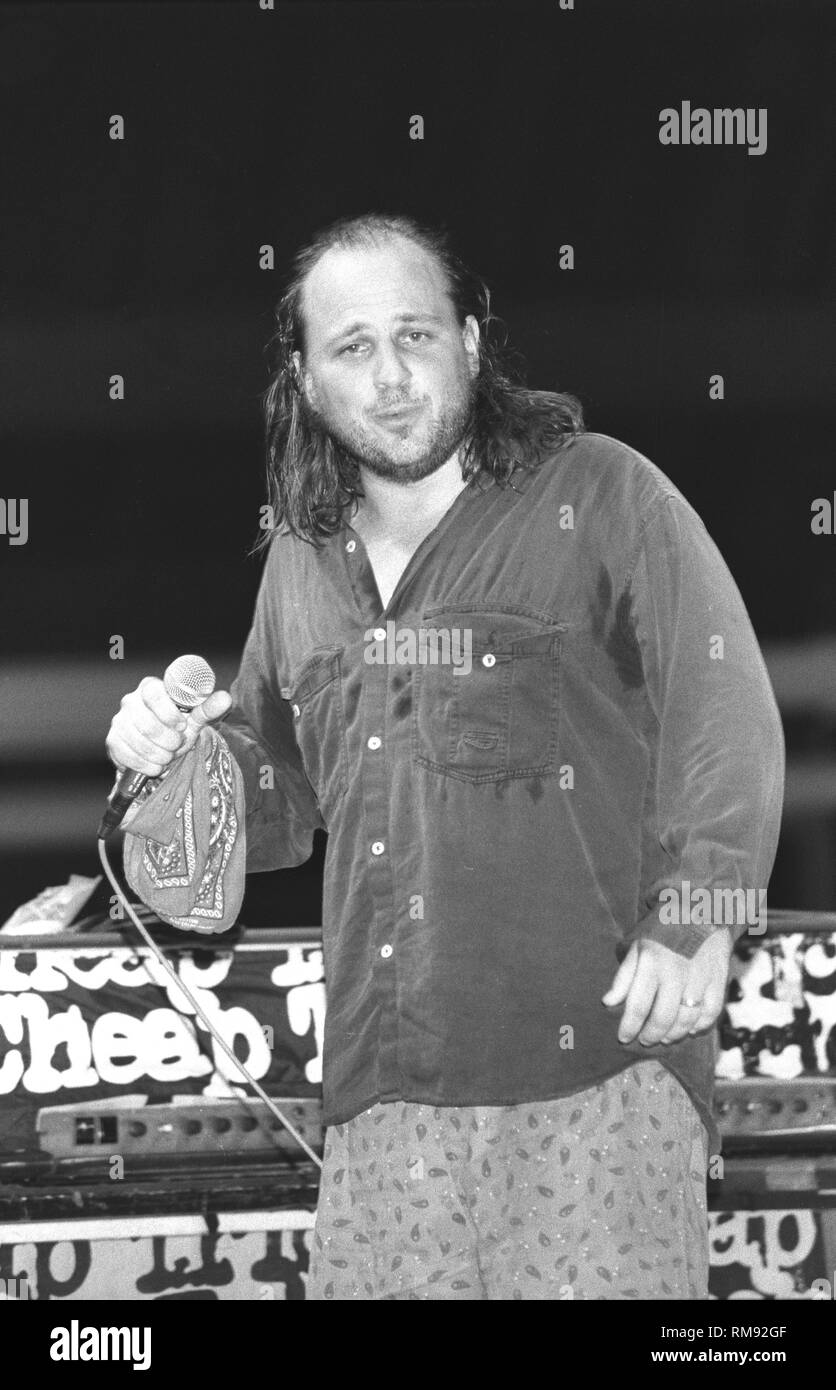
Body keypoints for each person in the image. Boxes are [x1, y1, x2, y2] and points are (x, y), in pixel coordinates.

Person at [105, 212, 785, 1300]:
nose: (388, 376)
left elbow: (724, 706)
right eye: (352, 347)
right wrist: (166, 760)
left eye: (415, 335)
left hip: (593, 1077)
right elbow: (269, 804)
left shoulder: (601, 493)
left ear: (471, 341)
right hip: (379, 1109)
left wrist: (699, 912)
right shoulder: (299, 560)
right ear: (305, 377)